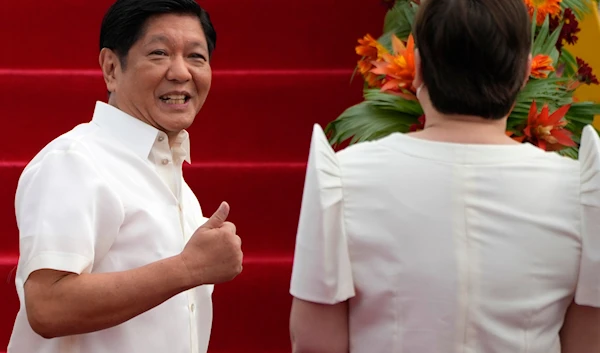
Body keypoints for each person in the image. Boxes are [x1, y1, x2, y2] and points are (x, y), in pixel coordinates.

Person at [288, 0, 600, 352]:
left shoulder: (344, 177)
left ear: (418, 68)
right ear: (526, 72)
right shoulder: (580, 191)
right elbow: (588, 341)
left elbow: (315, 342)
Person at [7, 1, 243, 352]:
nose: (181, 72)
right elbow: (47, 307)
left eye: (196, 56)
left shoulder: (175, 182)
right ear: (112, 68)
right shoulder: (76, 161)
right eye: (160, 53)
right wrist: (188, 268)